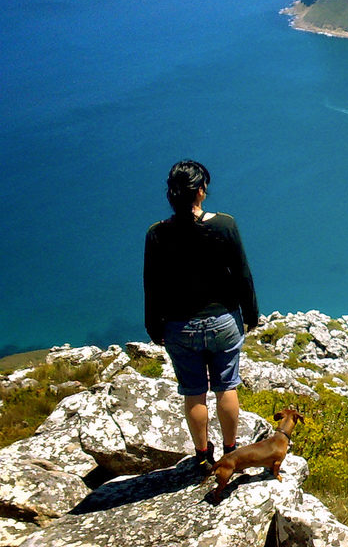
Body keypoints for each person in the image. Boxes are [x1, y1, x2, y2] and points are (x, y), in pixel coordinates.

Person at [144, 160, 259, 473]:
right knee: (227, 387)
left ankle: (202, 456)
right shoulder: (225, 225)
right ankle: (231, 451)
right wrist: (251, 313)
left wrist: (154, 326)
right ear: (199, 191)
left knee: (193, 393)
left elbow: (152, 285)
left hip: (180, 327)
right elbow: (242, 274)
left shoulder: (157, 234)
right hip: (223, 321)